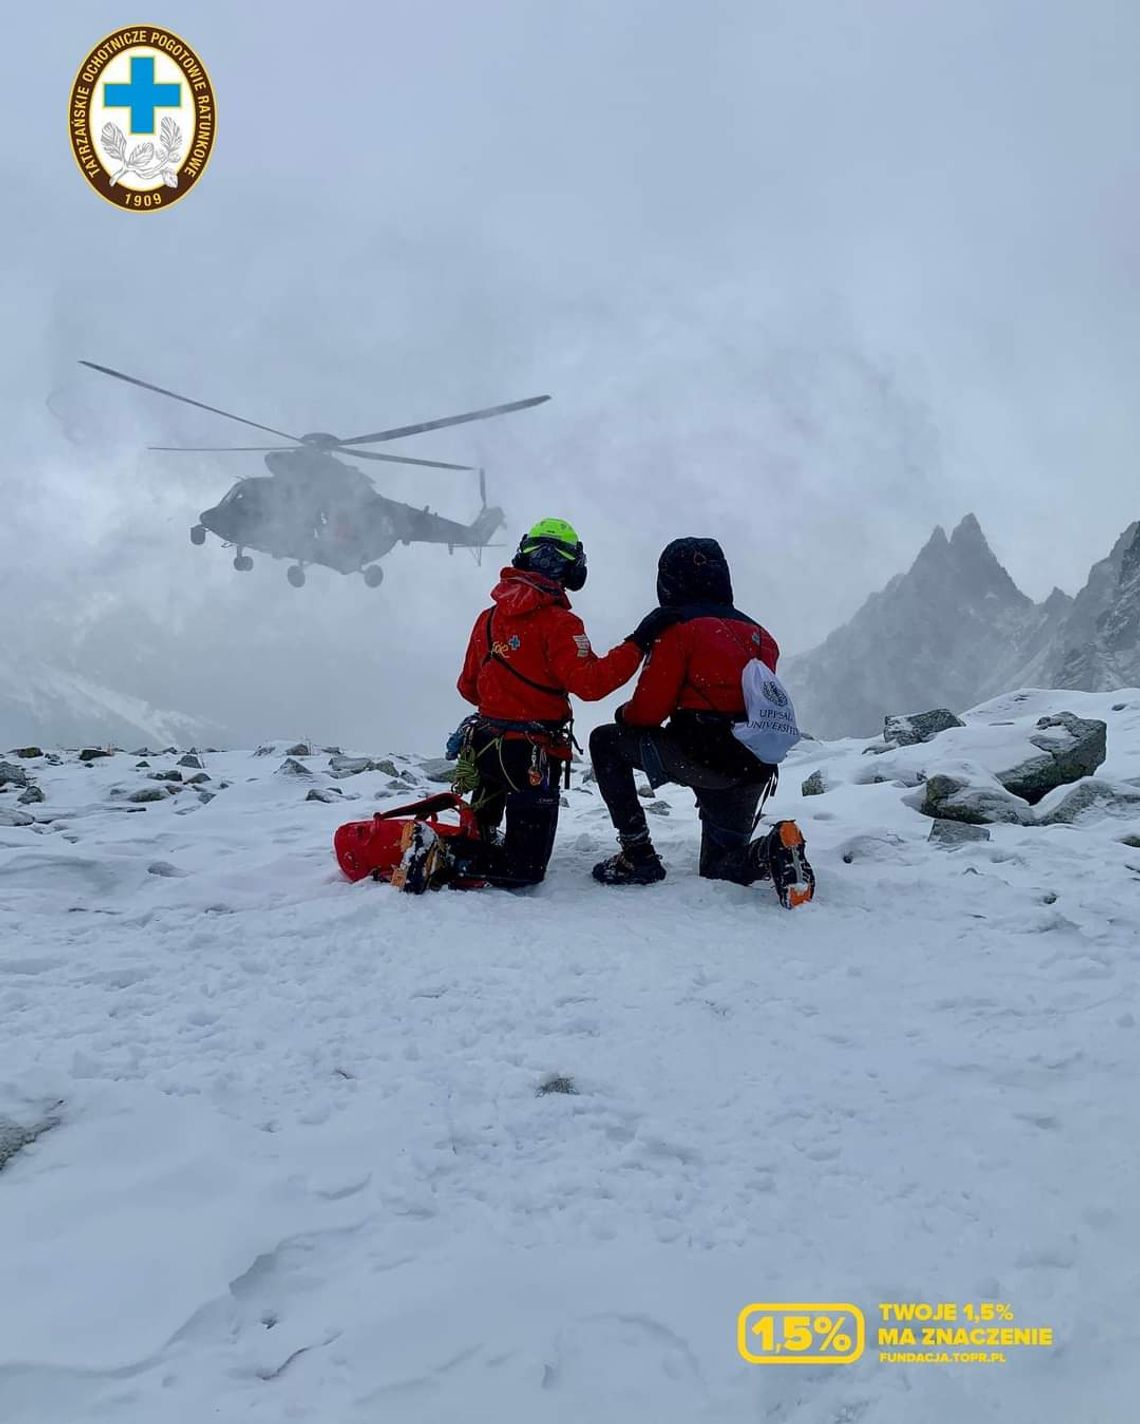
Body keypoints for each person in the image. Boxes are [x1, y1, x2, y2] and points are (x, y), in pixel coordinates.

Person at [395, 518, 673, 893]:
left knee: (490, 835)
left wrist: (507, 700)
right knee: (523, 870)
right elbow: (590, 684)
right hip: (531, 758)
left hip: (486, 748)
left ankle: (450, 850)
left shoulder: (488, 618)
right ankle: (437, 851)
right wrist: (638, 642)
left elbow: (468, 686)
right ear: (573, 569)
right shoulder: (561, 623)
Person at [589, 536, 815, 907]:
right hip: (753, 767)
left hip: (699, 757)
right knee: (722, 866)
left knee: (605, 741)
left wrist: (623, 716)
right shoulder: (762, 637)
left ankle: (637, 855)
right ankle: (772, 850)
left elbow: (648, 711)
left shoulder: (678, 629)